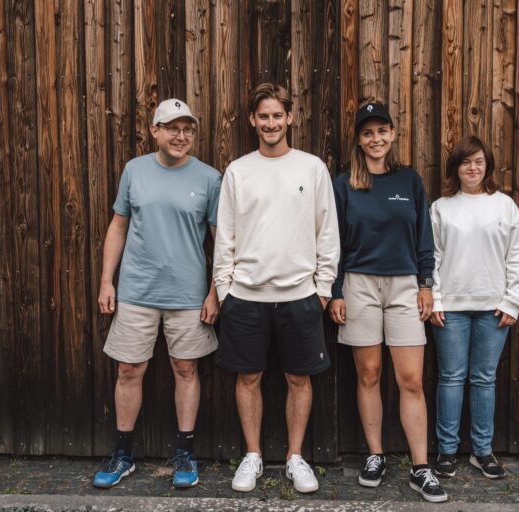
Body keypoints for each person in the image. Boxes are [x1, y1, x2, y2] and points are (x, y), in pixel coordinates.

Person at [212, 83, 339, 494]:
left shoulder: (311, 167)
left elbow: (327, 232)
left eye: (277, 115)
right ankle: (252, 456)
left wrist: (322, 289)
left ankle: (295, 457)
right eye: (263, 116)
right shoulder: (238, 170)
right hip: (246, 296)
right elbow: (224, 236)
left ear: (290, 118)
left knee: (299, 379)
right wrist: (225, 290)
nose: (270, 123)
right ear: (253, 120)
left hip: (300, 296)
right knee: (248, 378)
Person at [93, 99, 222, 489]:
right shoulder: (135, 171)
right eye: (172, 128)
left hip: (188, 295)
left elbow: (222, 241)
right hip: (136, 291)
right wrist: (106, 280)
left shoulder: (209, 178)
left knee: (186, 370)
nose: (181, 136)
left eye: (187, 129)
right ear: (155, 131)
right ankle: (123, 453)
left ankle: (184, 451)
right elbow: (118, 226)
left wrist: (215, 292)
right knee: (129, 370)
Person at [328, 102, 448, 503]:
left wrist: (426, 283)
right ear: (359, 140)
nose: (375, 139)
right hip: (359, 284)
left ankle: (420, 467)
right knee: (369, 374)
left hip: (403, 286)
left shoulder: (409, 180)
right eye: (367, 133)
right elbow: (334, 243)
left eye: (382, 131)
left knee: (411, 379)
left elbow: (423, 238)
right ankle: (376, 454)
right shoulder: (345, 184)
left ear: (393, 134)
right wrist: (336, 290)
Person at [430, 136, 519, 480]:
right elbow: (432, 257)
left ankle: (482, 451)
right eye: (465, 162)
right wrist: (436, 300)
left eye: (478, 162)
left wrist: (513, 301)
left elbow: (518, 256)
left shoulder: (504, 207)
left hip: (494, 308)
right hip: (451, 308)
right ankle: (446, 451)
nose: (472, 168)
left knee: (484, 379)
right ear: (455, 168)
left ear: (487, 166)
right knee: (451, 378)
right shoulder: (441, 208)